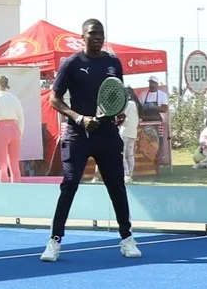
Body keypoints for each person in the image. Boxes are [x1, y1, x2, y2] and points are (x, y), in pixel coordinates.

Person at [42, 18, 139, 263]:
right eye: (92, 33)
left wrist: (118, 114)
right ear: (82, 36)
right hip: (78, 136)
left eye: (101, 33)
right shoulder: (72, 64)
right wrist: (79, 118)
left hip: (107, 135)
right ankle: (54, 241)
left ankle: (127, 238)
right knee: (70, 184)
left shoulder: (113, 63)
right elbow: (54, 100)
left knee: (117, 186)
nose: (97, 37)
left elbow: (115, 94)